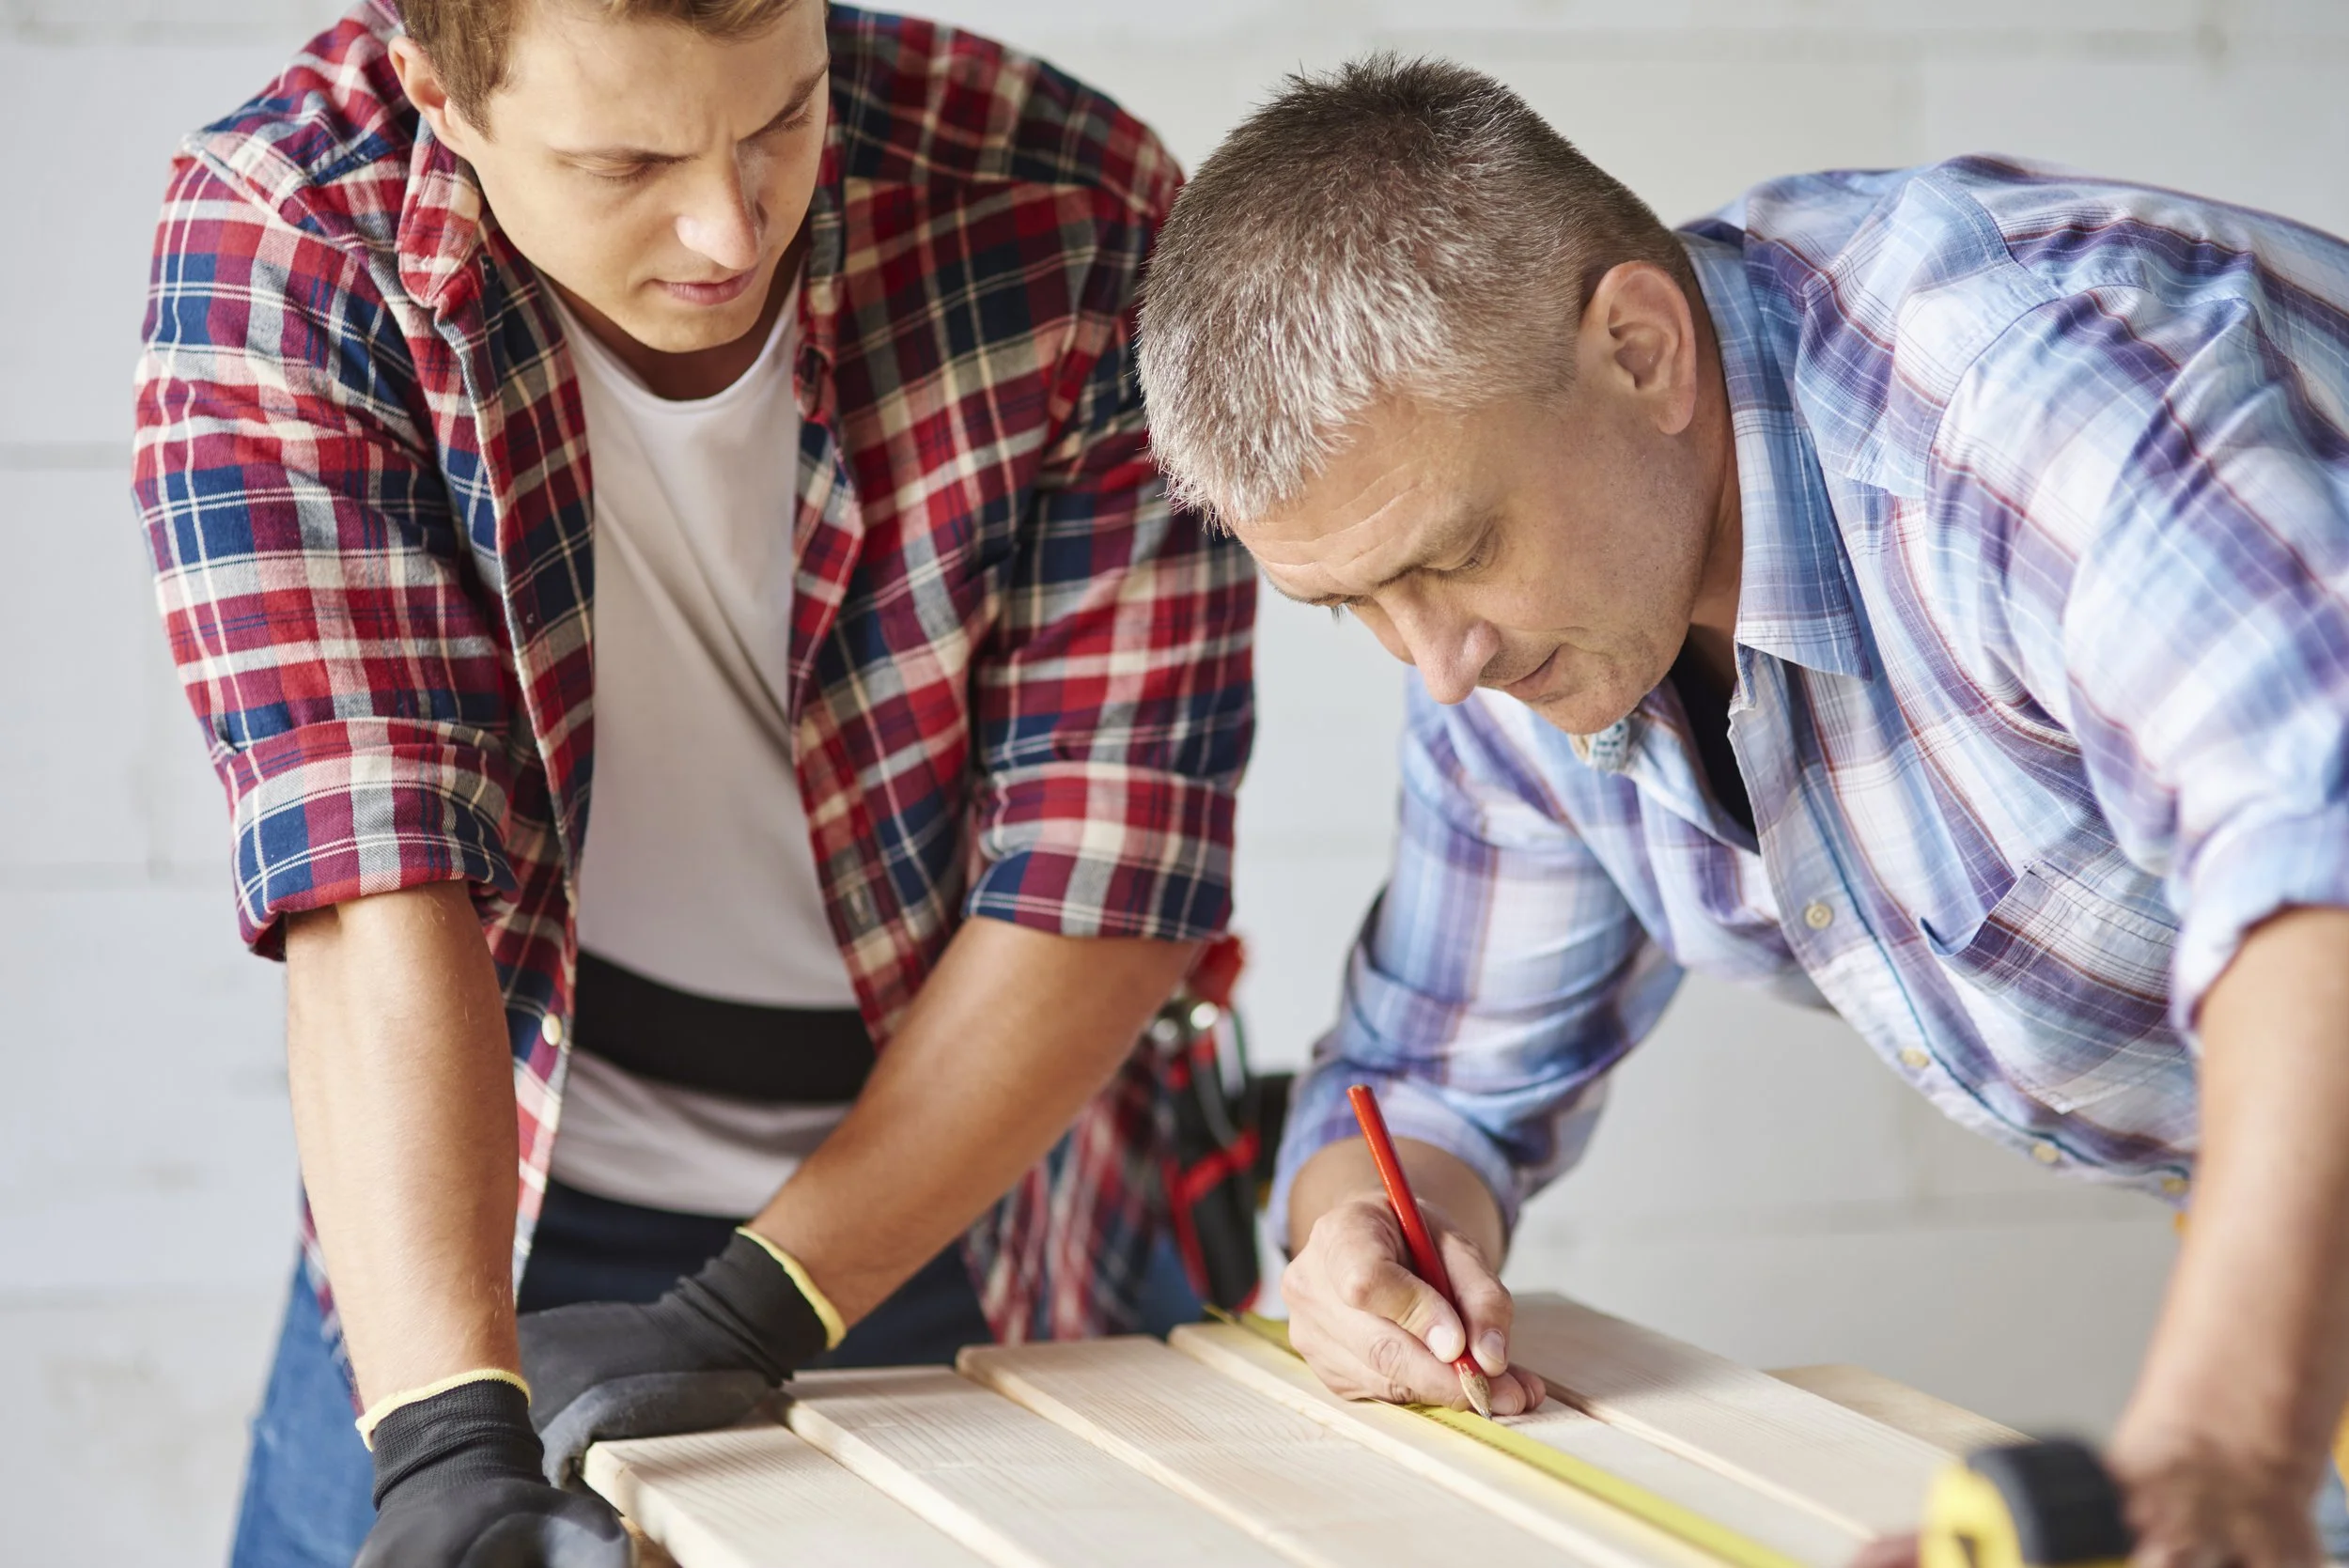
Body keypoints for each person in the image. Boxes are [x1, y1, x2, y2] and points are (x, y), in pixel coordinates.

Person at [1136, 54, 2349, 1568]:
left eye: (1455, 552)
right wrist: (1361, 1246)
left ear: (1640, 350)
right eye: (1352, 605)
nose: (1438, 667)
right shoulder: (1521, 645)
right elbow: (1439, 1080)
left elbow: (2316, 857)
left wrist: (2226, 1447)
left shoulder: (2019, 395)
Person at [132, 0, 1254, 1561]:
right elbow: (369, 858)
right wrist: (448, 1435)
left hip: (966, 1197)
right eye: (628, 160)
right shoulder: (291, 238)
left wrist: (756, 1309)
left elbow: (1111, 870)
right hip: (486, 1183)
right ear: (438, 95)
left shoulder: (1078, 209)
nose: (729, 224)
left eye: (784, 118)